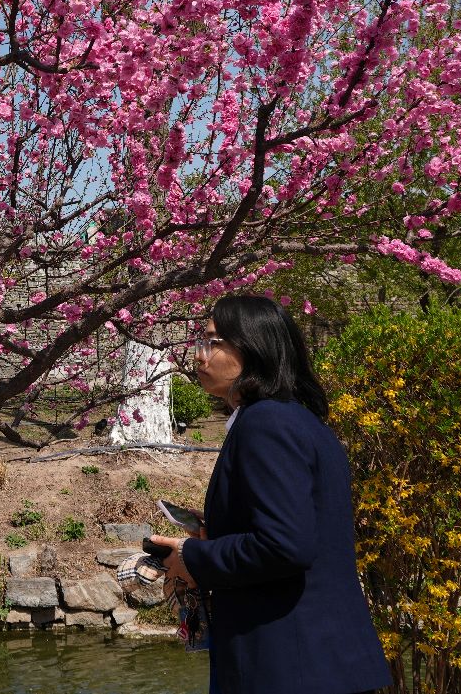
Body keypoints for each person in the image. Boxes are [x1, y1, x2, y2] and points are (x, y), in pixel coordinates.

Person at [150, 295, 391, 694]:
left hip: (291, 666)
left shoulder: (267, 424)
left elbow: (285, 545)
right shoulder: (295, 419)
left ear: (251, 347)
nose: (199, 355)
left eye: (212, 342)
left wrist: (190, 555)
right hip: (317, 662)